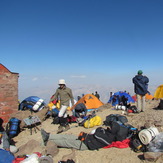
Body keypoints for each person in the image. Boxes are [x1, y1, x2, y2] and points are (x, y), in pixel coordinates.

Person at [41, 119, 130, 151]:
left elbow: (97, 135)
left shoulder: (109, 138)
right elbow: (98, 131)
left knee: (66, 142)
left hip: (86, 144)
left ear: (113, 130)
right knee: (68, 136)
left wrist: (98, 131)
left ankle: (48, 142)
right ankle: (49, 136)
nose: (108, 127)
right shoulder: (107, 133)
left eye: (110, 127)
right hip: (86, 138)